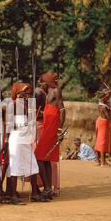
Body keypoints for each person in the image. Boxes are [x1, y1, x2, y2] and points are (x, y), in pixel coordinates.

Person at [5, 82, 39, 205]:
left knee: (32, 164)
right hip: (16, 137)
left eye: (27, 93)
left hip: (25, 137)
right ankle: (13, 196)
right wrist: (21, 125)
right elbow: (8, 124)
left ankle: (35, 193)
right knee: (15, 166)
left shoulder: (26, 104)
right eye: (23, 93)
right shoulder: (12, 105)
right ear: (17, 93)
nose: (26, 95)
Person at [34, 72, 65, 200]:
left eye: (42, 83)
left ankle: (47, 188)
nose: (41, 85)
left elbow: (62, 110)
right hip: (48, 126)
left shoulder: (56, 91)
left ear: (47, 82)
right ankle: (49, 188)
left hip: (52, 128)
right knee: (45, 158)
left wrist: (59, 129)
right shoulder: (47, 92)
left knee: (39, 157)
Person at [94, 88, 111, 166]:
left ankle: (98, 160)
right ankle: (102, 161)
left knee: (100, 140)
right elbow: (109, 117)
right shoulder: (103, 105)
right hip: (104, 122)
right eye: (108, 95)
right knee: (103, 141)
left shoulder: (103, 101)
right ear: (105, 94)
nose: (109, 96)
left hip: (102, 121)